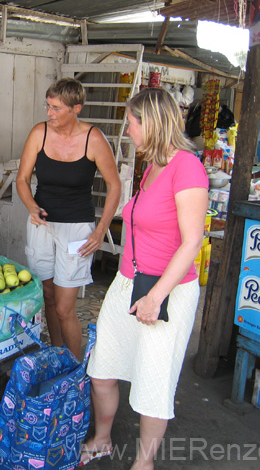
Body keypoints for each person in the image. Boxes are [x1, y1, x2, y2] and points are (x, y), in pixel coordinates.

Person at [80, 88, 208, 468]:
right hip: (127, 283)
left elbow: (192, 242)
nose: (129, 131)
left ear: (150, 123)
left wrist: (156, 297)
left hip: (166, 290)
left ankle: (144, 462)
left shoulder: (187, 167)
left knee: (153, 381)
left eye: (132, 123)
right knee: (103, 369)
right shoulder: (153, 167)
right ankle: (102, 439)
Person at [16, 78, 121, 360]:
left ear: (77, 108)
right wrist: (31, 207)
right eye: (48, 106)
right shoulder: (39, 132)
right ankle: (57, 355)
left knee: (64, 307)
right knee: (47, 296)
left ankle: (74, 369)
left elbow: (115, 187)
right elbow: (23, 179)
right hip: (42, 226)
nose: (49, 113)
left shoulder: (94, 139)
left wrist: (100, 232)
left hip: (77, 229)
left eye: (56, 108)